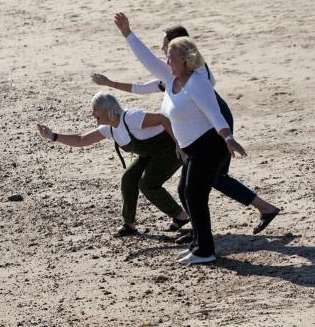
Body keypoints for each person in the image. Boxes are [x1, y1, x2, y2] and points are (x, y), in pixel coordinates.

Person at [92, 24, 280, 239]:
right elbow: (145, 86)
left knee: (209, 179)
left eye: (166, 45)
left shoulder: (196, 75)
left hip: (213, 123)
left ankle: (215, 230)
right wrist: (110, 83)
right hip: (205, 126)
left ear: (180, 49)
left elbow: (207, 104)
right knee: (196, 183)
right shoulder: (175, 74)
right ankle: (258, 210)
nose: (162, 50)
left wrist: (227, 136)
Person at [110, 12, 249, 265]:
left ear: (185, 60)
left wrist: (228, 138)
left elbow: (214, 112)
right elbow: (148, 61)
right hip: (194, 149)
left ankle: (205, 250)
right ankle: (198, 245)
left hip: (210, 146)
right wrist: (127, 34)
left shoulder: (198, 82)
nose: (166, 60)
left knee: (195, 195)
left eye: (171, 57)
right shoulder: (172, 78)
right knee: (187, 191)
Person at [37, 92, 189, 237]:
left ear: (106, 109)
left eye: (95, 110)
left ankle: (180, 215)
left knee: (147, 184)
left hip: (171, 150)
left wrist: (178, 143)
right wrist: (53, 136)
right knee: (128, 179)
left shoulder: (131, 118)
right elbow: (82, 140)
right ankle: (129, 224)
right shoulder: (108, 128)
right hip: (150, 154)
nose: (92, 114)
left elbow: (163, 119)